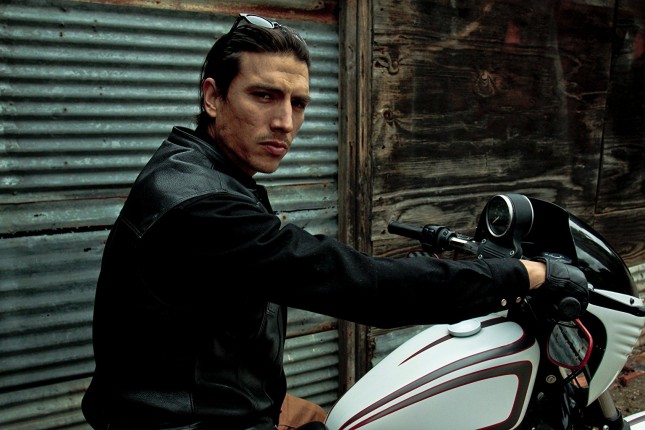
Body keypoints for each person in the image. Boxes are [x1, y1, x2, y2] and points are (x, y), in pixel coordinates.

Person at [81, 12, 588, 430]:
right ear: (213, 97)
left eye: (298, 103)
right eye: (264, 95)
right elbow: (361, 285)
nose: (285, 122)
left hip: (208, 399)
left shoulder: (194, 169)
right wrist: (522, 274)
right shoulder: (204, 207)